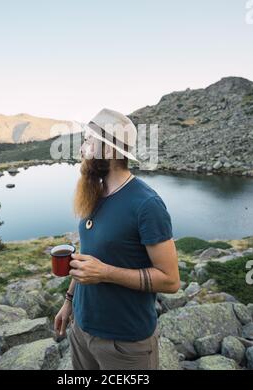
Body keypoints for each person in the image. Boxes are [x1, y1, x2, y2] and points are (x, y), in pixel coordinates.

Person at [54, 108, 180, 370]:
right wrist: (68, 302)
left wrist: (106, 273)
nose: (81, 149)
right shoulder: (96, 194)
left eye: (88, 141)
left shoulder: (146, 204)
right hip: (82, 331)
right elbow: (88, 259)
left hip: (125, 344)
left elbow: (170, 280)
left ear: (108, 151)